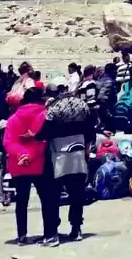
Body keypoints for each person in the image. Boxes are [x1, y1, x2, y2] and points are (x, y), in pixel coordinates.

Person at [36, 82, 93, 244]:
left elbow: (44, 133)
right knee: (77, 195)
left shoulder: (54, 108)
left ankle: (52, 234)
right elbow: (90, 131)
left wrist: (34, 136)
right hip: (78, 152)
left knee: (51, 196)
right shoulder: (82, 105)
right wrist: (87, 150)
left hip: (59, 155)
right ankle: (76, 229)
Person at [3, 87, 48, 245]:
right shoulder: (45, 116)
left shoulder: (13, 118)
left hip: (19, 165)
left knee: (22, 201)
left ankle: (22, 235)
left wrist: (22, 155)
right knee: (46, 199)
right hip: (40, 163)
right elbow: (43, 141)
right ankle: (48, 233)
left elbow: (8, 142)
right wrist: (32, 155)